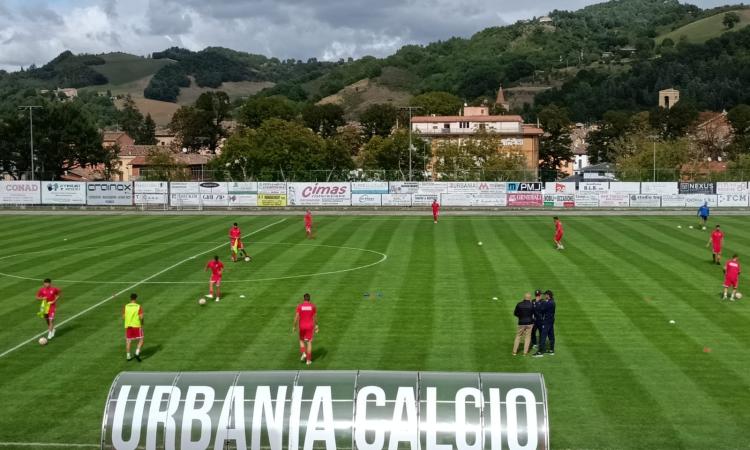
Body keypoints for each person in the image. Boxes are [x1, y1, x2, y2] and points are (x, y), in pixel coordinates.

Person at [293, 293, 319, 365]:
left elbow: (296, 317)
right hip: (310, 326)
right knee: (309, 342)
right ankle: (308, 360)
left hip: (302, 326)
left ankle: (303, 353)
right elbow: (315, 317)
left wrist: (294, 326)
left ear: (303, 299)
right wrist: (316, 325)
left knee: (301, 340)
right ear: (309, 299)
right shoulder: (312, 306)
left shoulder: (300, 306)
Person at [534, 290, 556, 357]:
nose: (544, 296)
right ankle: (551, 350)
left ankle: (540, 352)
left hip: (546, 322)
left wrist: (537, 302)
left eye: (545, 295)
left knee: (543, 336)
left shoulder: (548, 303)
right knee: (551, 336)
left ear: (548, 295)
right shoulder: (552, 302)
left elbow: (541, 309)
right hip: (551, 321)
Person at [123, 293, 144, 362]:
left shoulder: (126, 306)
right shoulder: (138, 306)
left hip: (128, 326)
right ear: (136, 298)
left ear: (130, 298)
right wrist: (142, 322)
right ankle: (137, 353)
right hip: (136, 325)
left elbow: (123, 317)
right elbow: (141, 317)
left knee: (128, 341)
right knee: (141, 339)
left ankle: (128, 356)